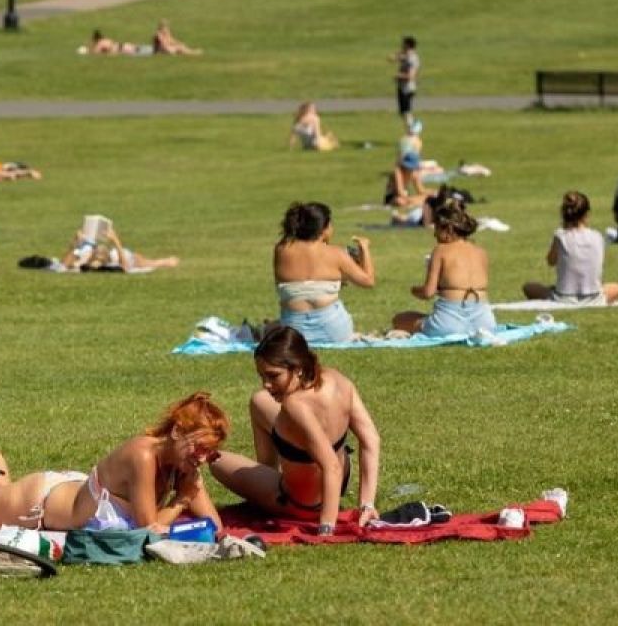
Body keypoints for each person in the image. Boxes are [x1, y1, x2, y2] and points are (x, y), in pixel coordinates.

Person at [0, 376, 228, 532]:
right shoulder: (143, 455)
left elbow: (215, 528)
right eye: (199, 448)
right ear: (175, 432)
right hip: (38, 504)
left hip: (66, 494)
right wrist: (182, 502)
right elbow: (147, 530)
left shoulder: (182, 466)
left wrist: (194, 497)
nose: (201, 458)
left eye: (210, 454)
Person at [209, 326, 380, 535]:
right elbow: (371, 439)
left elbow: (331, 466)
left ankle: (269, 487)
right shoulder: (338, 380)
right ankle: (267, 471)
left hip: (301, 503)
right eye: (262, 376)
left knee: (216, 460)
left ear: (297, 368)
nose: (267, 384)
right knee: (259, 400)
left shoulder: (294, 405)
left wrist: (327, 526)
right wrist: (367, 504)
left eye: (273, 376)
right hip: (336, 481)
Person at [274, 202, 375, 345]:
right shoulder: (336, 254)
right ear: (323, 229)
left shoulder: (281, 250)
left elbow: (296, 283)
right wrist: (364, 248)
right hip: (334, 331)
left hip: (294, 333)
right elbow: (368, 281)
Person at [393, 201, 495, 336]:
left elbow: (428, 293)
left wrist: (414, 290)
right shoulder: (481, 252)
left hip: (448, 322)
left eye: (437, 228)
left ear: (448, 229)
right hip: (485, 321)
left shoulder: (441, 250)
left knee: (399, 319)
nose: (434, 234)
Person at [523, 191, 618, 305]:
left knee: (528, 287)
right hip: (594, 297)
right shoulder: (597, 236)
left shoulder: (560, 236)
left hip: (564, 298)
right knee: (616, 287)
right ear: (586, 214)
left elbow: (550, 261)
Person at [59, 224, 180, 273]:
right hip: (122, 256)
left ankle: (162, 261)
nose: (100, 252)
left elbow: (63, 265)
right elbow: (126, 267)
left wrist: (76, 243)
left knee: (145, 262)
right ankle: (163, 261)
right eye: (100, 254)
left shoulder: (85, 254)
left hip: (116, 255)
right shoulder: (111, 258)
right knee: (144, 263)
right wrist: (116, 241)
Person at [390, 36, 420, 129]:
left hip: (407, 88)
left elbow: (411, 76)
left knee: (406, 112)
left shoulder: (412, 59)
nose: (401, 46)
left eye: (403, 44)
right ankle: (411, 131)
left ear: (407, 45)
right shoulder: (407, 56)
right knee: (403, 112)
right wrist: (399, 54)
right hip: (402, 87)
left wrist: (399, 76)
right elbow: (392, 58)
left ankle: (414, 130)